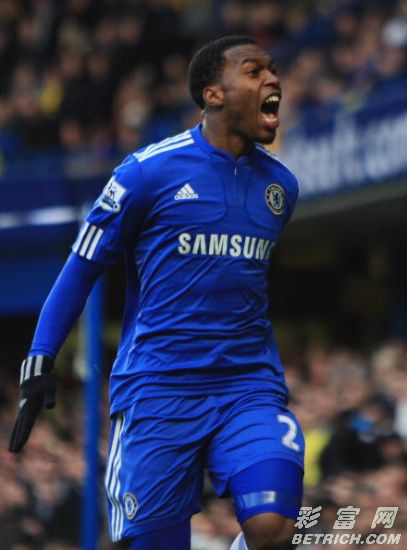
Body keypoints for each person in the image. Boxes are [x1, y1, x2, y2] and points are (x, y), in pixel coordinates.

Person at [9, 36, 304, 550]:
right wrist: (40, 357)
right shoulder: (146, 171)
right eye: (254, 71)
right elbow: (81, 266)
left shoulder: (281, 188)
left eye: (272, 69)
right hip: (158, 392)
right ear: (213, 94)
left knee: (273, 528)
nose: (272, 79)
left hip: (247, 386)